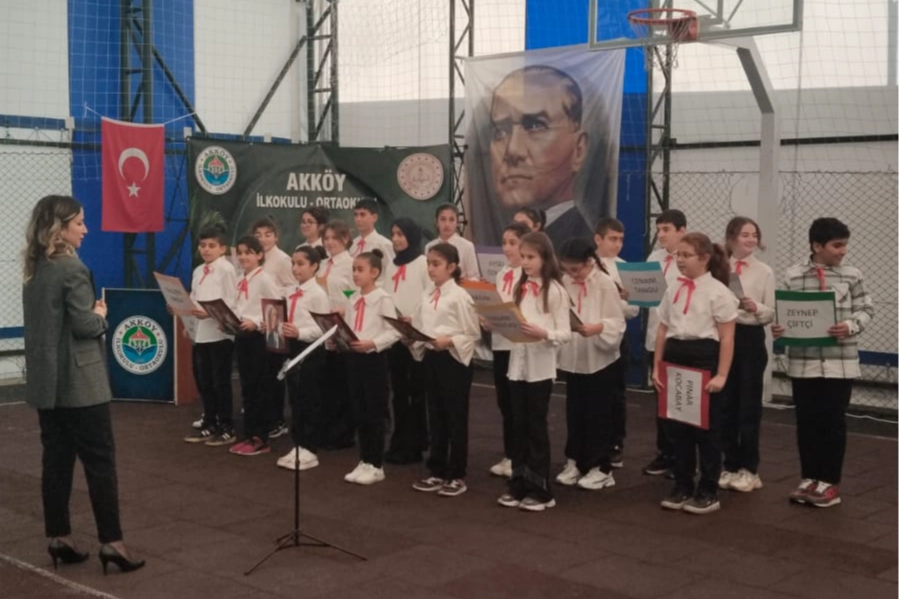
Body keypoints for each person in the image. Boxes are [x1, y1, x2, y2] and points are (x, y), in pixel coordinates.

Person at [23, 194, 144, 574]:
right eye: (79, 223)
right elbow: (83, 326)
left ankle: (59, 537)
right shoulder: (73, 269)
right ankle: (112, 542)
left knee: (56, 463)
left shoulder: (35, 269)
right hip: (81, 383)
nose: (86, 229)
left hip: (48, 383)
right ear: (60, 229)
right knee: (100, 463)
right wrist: (100, 314)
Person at [773, 218, 874, 508]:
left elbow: (867, 308)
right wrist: (780, 327)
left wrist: (850, 325)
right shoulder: (793, 275)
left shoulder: (852, 275)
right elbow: (784, 312)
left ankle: (829, 482)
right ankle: (809, 478)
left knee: (832, 422)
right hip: (803, 363)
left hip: (840, 363)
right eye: (837, 245)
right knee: (807, 422)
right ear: (817, 246)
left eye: (844, 245)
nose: (843, 251)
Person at [653, 233, 738, 515]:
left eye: (686, 255)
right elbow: (663, 329)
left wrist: (721, 375)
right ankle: (683, 484)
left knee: (706, 429)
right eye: (678, 255)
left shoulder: (718, 292)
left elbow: (727, 338)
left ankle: (708, 489)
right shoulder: (673, 288)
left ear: (704, 258)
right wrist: (657, 366)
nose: (680, 260)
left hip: (704, 357)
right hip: (676, 356)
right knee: (678, 426)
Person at [496, 232, 572, 512]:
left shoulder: (556, 291)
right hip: (517, 366)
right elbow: (515, 323)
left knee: (536, 427)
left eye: (531, 257)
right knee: (518, 426)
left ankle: (541, 491)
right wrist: (497, 323)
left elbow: (565, 333)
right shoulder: (520, 286)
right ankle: (518, 484)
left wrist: (544, 333)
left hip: (540, 369)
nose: (525, 262)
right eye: (523, 256)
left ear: (545, 258)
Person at [489, 65, 593, 248]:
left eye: (535, 126)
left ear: (579, 149)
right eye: (501, 132)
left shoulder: (579, 244)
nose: (513, 150)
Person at [410, 243, 480, 497]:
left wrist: (449, 341)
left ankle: (457, 474)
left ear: (451, 267)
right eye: (429, 263)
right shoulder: (428, 294)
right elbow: (420, 324)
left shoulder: (460, 296)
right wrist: (412, 336)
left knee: (455, 417)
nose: (430, 269)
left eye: (436, 264)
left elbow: (472, 333)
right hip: (432, 357)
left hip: (453, 361)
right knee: (435, 414)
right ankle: (436, 470)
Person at [555, 238, 626, 491]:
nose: (572, 275)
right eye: (567, 270)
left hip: (600, 358)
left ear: (588, 262)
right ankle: (575, 460)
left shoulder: (604, 283)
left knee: (599, 413)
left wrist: (597, 328)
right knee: (575, 411)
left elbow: (617, 322)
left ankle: (601, 467)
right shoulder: (565, 282)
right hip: (575, 356)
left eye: (576, 270)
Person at [719, 217, 775, 493]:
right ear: (731, 238)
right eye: (745, 234)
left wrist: (755, 308)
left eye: (754, 234)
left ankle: (750, 469)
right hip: (723, 336)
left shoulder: (764, 271)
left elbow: (770, 313)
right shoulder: (719, 268)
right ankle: (729, 464)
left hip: (750, 338)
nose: (751, 239)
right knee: (725, 403)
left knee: (748, 406)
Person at [342, 250, 402, 484]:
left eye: (360, 270)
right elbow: (349, 326)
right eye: (354, 269)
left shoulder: (383, 298)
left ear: (375, 272)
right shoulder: (353, 298)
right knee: (359, 409)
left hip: (374, 360)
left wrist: (373, 343)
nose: (355, 274)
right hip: (354, 358)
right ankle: (364, 459)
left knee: (374, 411)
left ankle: (376, 464)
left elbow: (394, 332)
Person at [275, 245, 331, 471]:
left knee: (310, 399)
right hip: (292, 348)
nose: (295, 268)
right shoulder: (290, 291)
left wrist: (300, 332)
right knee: (295, 399)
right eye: (293, 264)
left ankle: (310, 448)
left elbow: (324, 329)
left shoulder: (318, 294)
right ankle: (298, 444)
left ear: (314, 266)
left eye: (301, 264)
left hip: (311, 350)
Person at [183, 225, 239, 446]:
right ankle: (210, 421)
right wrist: (187, 317)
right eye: (203, 245)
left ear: (222, 248)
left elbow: (232, 302)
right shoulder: (198, 271)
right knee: (204, 380)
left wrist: (210, 313)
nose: (206, 250)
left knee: (220, 382)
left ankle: (227, 425)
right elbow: (194, 299)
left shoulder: (226, 269)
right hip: (201, 333)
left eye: (212, 246)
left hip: (220, 334)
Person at [643, 209, 688, 477]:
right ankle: (665, 453)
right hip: (655, 336)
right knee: (661, 398)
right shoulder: (655, 258)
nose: (661, 235)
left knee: (682, 398)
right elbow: (647, 295)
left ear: (682, 231)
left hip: (680, 337)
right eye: (658, 229)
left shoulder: (690, 259)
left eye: (666, 229)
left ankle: (683, 456)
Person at [384, 218, 431, 464]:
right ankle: (399, 440)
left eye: (401, 234)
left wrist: (414, 322)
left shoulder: (423, 264)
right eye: (393, 234)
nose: (396, 239)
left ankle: (415, 443)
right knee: (399, 393)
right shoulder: (391, 265)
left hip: (416, 337)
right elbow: (386, 296)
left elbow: (429, 298)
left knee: (416, 394)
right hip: (395, 336)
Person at [594, 217, 640, 467]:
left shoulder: (625, 269)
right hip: (588, 337)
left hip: (615, 337)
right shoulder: (587, 265)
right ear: (598, 239)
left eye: (621, 240)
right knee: (589, 393)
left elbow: (633, 310)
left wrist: (619, 301)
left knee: (615, 393)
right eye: (612, 239)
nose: (617, 244)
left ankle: (615, 444)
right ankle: (590, 442)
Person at [228, 236, 279, 457]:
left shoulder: (265, 279)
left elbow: (276, 308)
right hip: (243, 336)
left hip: (259, 338)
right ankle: (249, 435)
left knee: (260, 388)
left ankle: (260, 437)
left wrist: (256, 322)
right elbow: (238, 306)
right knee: (247, 387)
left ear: (259, 255)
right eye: (240, 252)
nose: (243, 257)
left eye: (248, 252)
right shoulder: (240, 279)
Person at [487, 221, 530, 478]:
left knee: (519, 404)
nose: (506, 248)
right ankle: (510, 454)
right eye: (504, 243)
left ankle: (522, 457)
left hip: (519, 346)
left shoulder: (528, 274)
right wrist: (488, 318)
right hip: (501, 344)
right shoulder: (501, 273)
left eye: (512, 243)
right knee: (504, 402)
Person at [251, 217, 295, 440]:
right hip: (257, 321)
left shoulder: (282, 259)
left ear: (276, 237)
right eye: (258, 235)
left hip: (275, 320)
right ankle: (263, 414)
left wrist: (274, 292)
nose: (263, 239)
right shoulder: (253, 258)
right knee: (261, 373)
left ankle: (278, 420)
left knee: (273, 372)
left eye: (268, 235)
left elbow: (292, 287)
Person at [319, 220, 356, 449]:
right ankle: (328, 427)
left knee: (343, 382)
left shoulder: (351, 264)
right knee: (328, 383)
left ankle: (344, 432)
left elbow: (356, 292)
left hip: (342, 325)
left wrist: (344, 306)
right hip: (323, 325)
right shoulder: (323, 264)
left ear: (345, 239)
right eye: (326, 238)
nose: (330, 242)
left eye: (334, 238)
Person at [424, 204, 479, 280]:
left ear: (457, 223)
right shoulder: (429, 247)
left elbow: (474, 277)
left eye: (451, 220)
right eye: (443, 219)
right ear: (436, 222)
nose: (447, 224)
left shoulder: (467, 246)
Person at [351, 199, 395, 264]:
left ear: (374, 217)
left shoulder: (384, 244)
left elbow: (391, 268)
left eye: (362, 215)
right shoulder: (353, 244)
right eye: (356, 215)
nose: (358, 219)